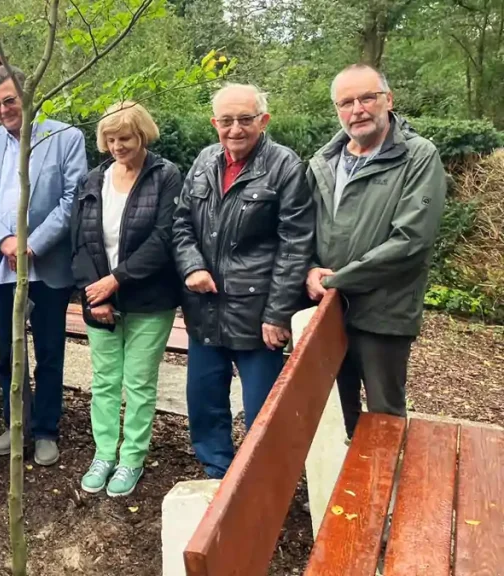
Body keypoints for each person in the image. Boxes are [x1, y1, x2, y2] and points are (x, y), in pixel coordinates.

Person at [172, 84, 314, 479]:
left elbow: (295, 244)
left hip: (257, 314)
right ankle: (217, 474)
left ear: (263, 120)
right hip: (206, 308)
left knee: (263, 412)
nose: (235, 129)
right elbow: (181, 223)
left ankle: (261, 486)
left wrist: (278, 313)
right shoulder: (204, 161)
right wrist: (191, 266)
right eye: (226, 120)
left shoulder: (285, 166)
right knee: (204, 404)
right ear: (214, 123)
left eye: (245, 119)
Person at [305, 64, 447, 440]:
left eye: (367, 97)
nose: (358, 109)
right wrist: (309, 269)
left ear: (388, 100)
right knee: (334, 412)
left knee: (384, 415)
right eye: (346, 102)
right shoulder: (324, 160)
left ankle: (384, 494)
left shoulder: (417, 156)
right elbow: (302, 227)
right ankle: (344, 497)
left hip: (384, 312)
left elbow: (411, 242)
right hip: (327, 310)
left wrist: (336, 279)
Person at [0, 65, 88, 466]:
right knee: (8, 352)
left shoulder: (65, 137)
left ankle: (47, 429)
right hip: (2, 266)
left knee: (50, 351)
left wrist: (31, 244)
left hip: (47, 266)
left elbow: (73, 199)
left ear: (28, 95)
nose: (2, 110)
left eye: (9, 100)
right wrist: (5, 241)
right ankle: (16, 423)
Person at [70, 102, 183, 497]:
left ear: (143, 136)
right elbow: (79, 241)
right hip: (97, 299)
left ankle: (131, 457)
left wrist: (115, 281)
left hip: (150, 299)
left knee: (138, 383)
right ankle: (103, 452)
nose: (119, 146)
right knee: (103, 382)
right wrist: (94, 292)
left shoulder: (166, 176)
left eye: (127, 139)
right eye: (112, 139)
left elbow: (165, 238)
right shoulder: (92, 180)